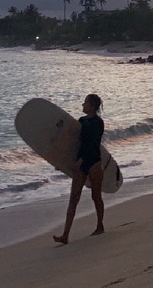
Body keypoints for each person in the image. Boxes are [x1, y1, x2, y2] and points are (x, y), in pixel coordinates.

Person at [53, 93, 105, 244]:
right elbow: (73, 143)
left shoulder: (98, 123)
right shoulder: (81, 121)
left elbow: (93, 144)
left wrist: (82, 160)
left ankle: (100, 226)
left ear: (92, 106)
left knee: (96, 197)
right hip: (80, 165)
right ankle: (65, 235)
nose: (83, 105)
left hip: (94, 162)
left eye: (85, 103)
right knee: (73, 199)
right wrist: (61, 162)